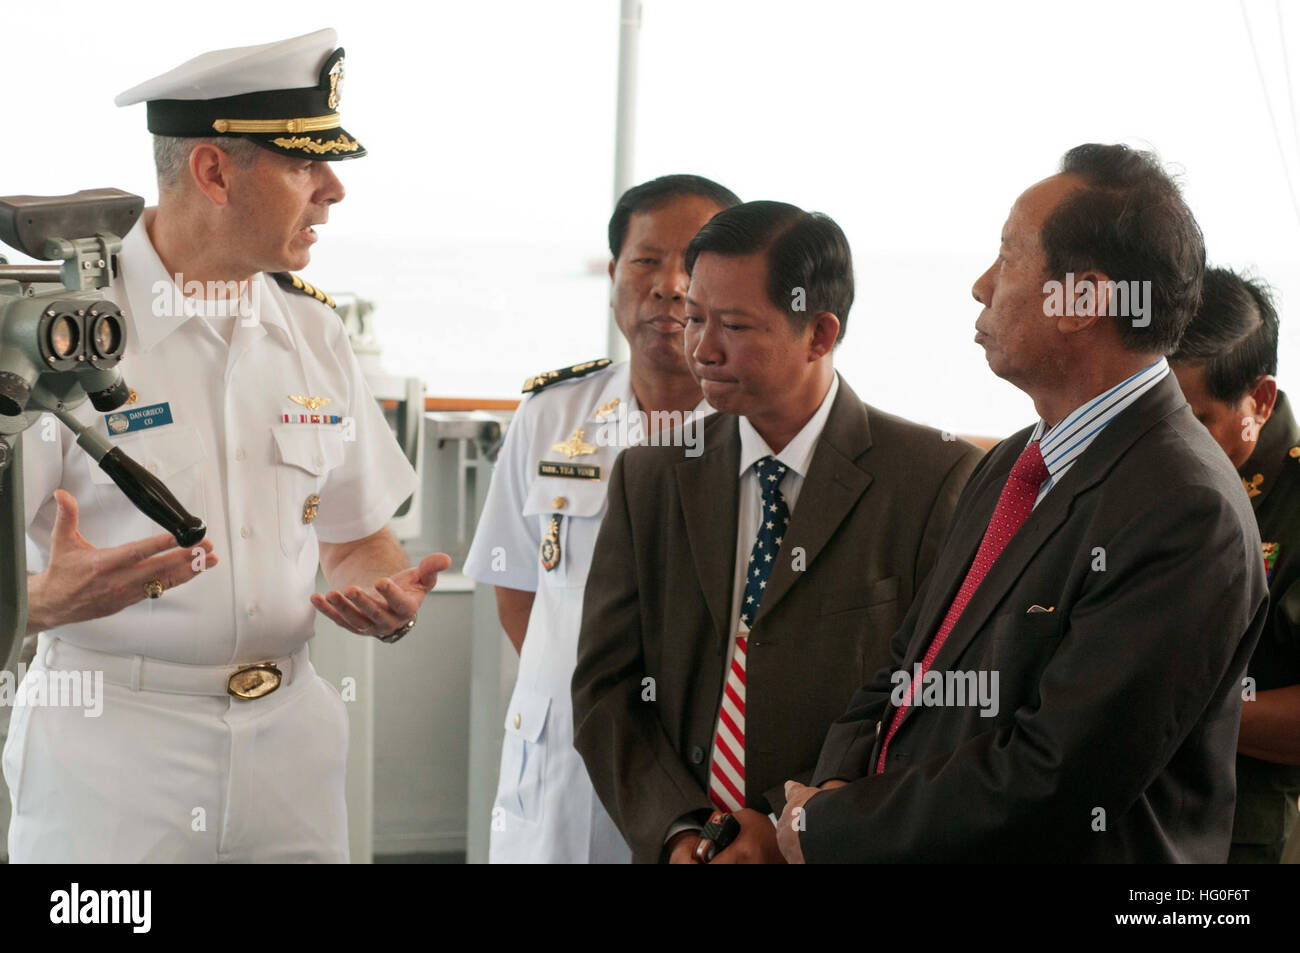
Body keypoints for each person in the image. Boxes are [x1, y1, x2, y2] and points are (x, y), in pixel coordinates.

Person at [5, 28, 449, 863]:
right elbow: (21, 590)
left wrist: (386, 591)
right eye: (303, 164)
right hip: (114, 752)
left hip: (294, 748)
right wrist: (40, 602)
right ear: (212, 172)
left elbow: (354, 537)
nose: (334, 190)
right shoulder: (58, 334)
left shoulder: (314, 334)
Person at [778, 144, 1268, 864]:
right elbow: (909, 665)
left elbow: (1055, 775)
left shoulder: (1186, 508)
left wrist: (836, 827)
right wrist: (831, 788)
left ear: (1084, 299)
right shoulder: (1017, 459)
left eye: (1008, 258)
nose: (981, 285)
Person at [572, 200, 982, 864]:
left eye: (734, 325)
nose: (702, 348)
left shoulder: (934, 479)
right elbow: (606, 688)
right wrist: (681, 829)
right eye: (695, 319)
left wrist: (794, 824)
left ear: (819, 333)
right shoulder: (650, 477)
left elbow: (937, 700)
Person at [463, 174, 739, 863]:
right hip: (557, 765)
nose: (670, 285)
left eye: (695, 264)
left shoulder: (756, 430)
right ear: (615, 274)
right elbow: (518, 587)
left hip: (698, 766)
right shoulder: (552, 414)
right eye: (647, 260)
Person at [1170, 267, 1300, 863]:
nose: (1170, 445)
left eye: (1195, 423)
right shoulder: (1145, 477)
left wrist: (1168, 705)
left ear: (1260, 400)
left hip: (1234, 841)